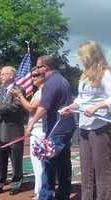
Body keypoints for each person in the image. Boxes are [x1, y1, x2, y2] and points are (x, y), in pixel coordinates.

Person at [60, 41, 111, 200]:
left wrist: (98, 106)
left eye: (82, 56)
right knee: (86, 169)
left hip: (100, 127)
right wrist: (70, 108)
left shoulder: (106, 73)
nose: (80, 59)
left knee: (102, 170)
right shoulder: (84, 75)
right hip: (84, 128)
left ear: (91, 55)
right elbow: (81, 100)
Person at [26, 55, 76, 200]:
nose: (36, 70)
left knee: (49, 164)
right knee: (63, 163)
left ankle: (45, 196)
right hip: (65, 127)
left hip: (56, 129)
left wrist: (31, 124)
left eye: (38, 67)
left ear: (45, 68)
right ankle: (63, 194)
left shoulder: (51, 83)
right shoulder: (62, 80)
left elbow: (43, 107)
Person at [0, 66, 25, 196]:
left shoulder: (19, 90)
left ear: (11, 76)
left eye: (4, 74)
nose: (1, 76)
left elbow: (16, 107)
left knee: (15, 159)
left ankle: (16, 183)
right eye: (1, 74)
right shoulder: (0, 90)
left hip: (13, 130)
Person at [11, 71, 46, 200]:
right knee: (36, 163)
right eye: (33, 76)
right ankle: (39, 190)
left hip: (40, 129)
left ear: (44, 77)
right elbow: (30, 107)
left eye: (37, 75)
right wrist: (20, 99)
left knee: (39, 163)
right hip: (36, 129)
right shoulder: (38, 91)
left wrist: (21, 95)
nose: (33, 78)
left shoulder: (43, 91)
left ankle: (41, 191)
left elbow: (31, 108)